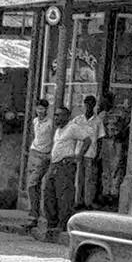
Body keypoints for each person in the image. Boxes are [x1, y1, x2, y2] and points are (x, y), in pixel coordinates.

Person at [40, 106, 89, 239]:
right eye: (55, 115)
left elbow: (86, 139)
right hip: (54, 164)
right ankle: (52, 222)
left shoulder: (72, 127)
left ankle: (62, 223)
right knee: (49, 192)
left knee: (64, 195)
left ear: (67, 117)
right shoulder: (58, 130)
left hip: (65, 165)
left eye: (59, 115)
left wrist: (78, 156)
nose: (56, 118)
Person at [22, 100, 54, 234]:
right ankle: (34, 212)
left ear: (46, 110)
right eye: (38, 108)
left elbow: (54, 138)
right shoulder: (35, 121)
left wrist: (51, 153)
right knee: (32, 184)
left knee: (33, 183)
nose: (40, 111)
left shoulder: (51, 123)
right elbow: (32, 135)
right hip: (34, 152)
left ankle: (34, 215)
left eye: (43, 109)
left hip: (44, 154)